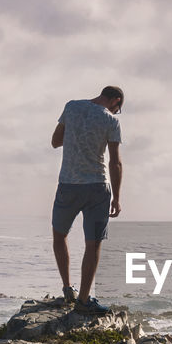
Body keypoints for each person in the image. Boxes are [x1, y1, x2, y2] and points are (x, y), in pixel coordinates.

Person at [50, 85, 123, 314]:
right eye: (118, 108)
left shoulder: (72, 107)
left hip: (69, 185)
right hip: (97, 187)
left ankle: (66, 289)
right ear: (115, 100)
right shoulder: (111, 121)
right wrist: (117, 198)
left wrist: (76, 137)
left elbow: (55, 141)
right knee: (93, 244)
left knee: (60, 235)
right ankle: (83, 300)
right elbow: (115, 163)